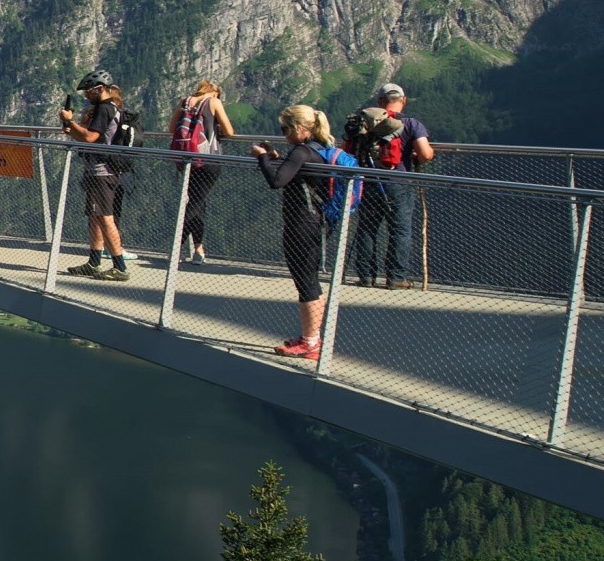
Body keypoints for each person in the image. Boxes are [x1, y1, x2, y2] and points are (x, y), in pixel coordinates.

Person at [251, 105, 349, 360]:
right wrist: (276, 157)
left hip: (301, 225)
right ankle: (312, 336)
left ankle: (310, 343)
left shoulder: (301, 151)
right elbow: (293, 173)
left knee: (305, 281)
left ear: (300, 129)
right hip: (317, 222)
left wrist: (262, 157)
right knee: (310, 279)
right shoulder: (318, 150)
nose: (283, 133)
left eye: (285, 128)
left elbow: (277, 181)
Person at [346, 82, 435, 289]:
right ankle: (396, 278)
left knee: (367, 228)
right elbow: (425, 154)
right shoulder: (412, 124)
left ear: (380, 102)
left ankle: (366, 276)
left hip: (368, 180)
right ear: (403, 100)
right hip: (398, 182)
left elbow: (349, 149)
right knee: (399, 230)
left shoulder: (366, 123)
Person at [59, 69, 131, 281]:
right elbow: (87, 137)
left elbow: (90, 137)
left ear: (100, 89)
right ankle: (94, 262)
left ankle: (120, 267)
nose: (86, 96)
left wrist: (71, 122)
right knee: (95, 217)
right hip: (100, 169)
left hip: (101, 171)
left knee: (105, 218)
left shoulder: (103, 109)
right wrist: (70, 127)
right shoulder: (112, 108)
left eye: (88, 92)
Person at [169, 79, 235, 264]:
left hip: (189, 159)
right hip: (210, 159)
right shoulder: (213, 102)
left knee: (198, 202)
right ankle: (177, 248)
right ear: (215, 92)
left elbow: (171, 128)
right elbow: (229, 131)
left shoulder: (185, 101)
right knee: (196, 203)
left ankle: (198, 250)